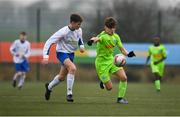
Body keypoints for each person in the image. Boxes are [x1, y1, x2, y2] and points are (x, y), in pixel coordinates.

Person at [87, 17, 135, 104]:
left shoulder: (116, 37)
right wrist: (91, 41)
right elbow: (96, 39)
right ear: (105, 27)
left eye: (113, 28)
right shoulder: (103, 36)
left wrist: (128, 54)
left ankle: (120, 98)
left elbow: (122, 49)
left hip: (111, 60)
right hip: (101, 64)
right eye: (110, 28)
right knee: (109, 88)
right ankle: (103, 81)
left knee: (124, 78)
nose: (112, 30)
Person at [42, 14, 85, 102]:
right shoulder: (63, 31)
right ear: (72, 23)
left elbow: (80, 39)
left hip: (71, 54)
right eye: (78, 24)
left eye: (80, 24)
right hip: (61, 53)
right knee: (72, 68)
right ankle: (69, 94)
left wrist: (81, 46)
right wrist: (46, 56)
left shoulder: (79, 30)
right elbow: (49, 42)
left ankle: (49, 87)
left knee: (61, 77)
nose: (79, 26)